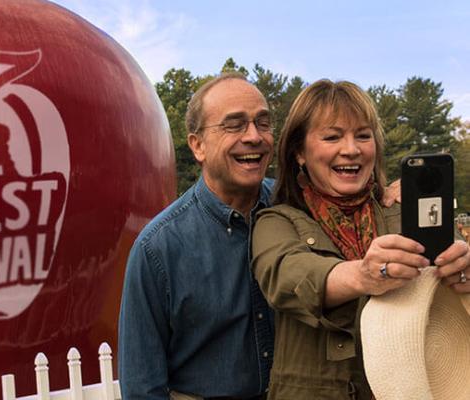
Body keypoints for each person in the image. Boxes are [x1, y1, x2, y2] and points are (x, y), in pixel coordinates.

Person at [251, 79, 470, 399]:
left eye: (363, 136)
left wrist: (464, 271)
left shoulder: (407, 211)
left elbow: (456, 285)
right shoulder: (278, 221)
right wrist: (363, 274)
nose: (351, 149)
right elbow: (287, 276)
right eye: (332, 136)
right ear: (299, 152)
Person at [118, 73, 275, 399]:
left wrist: (396, 191)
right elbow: (142, 387)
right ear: (197, 145)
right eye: (234, 125)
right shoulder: (157, 249)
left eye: (263, 122)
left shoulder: (296, 208)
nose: (254, 136)